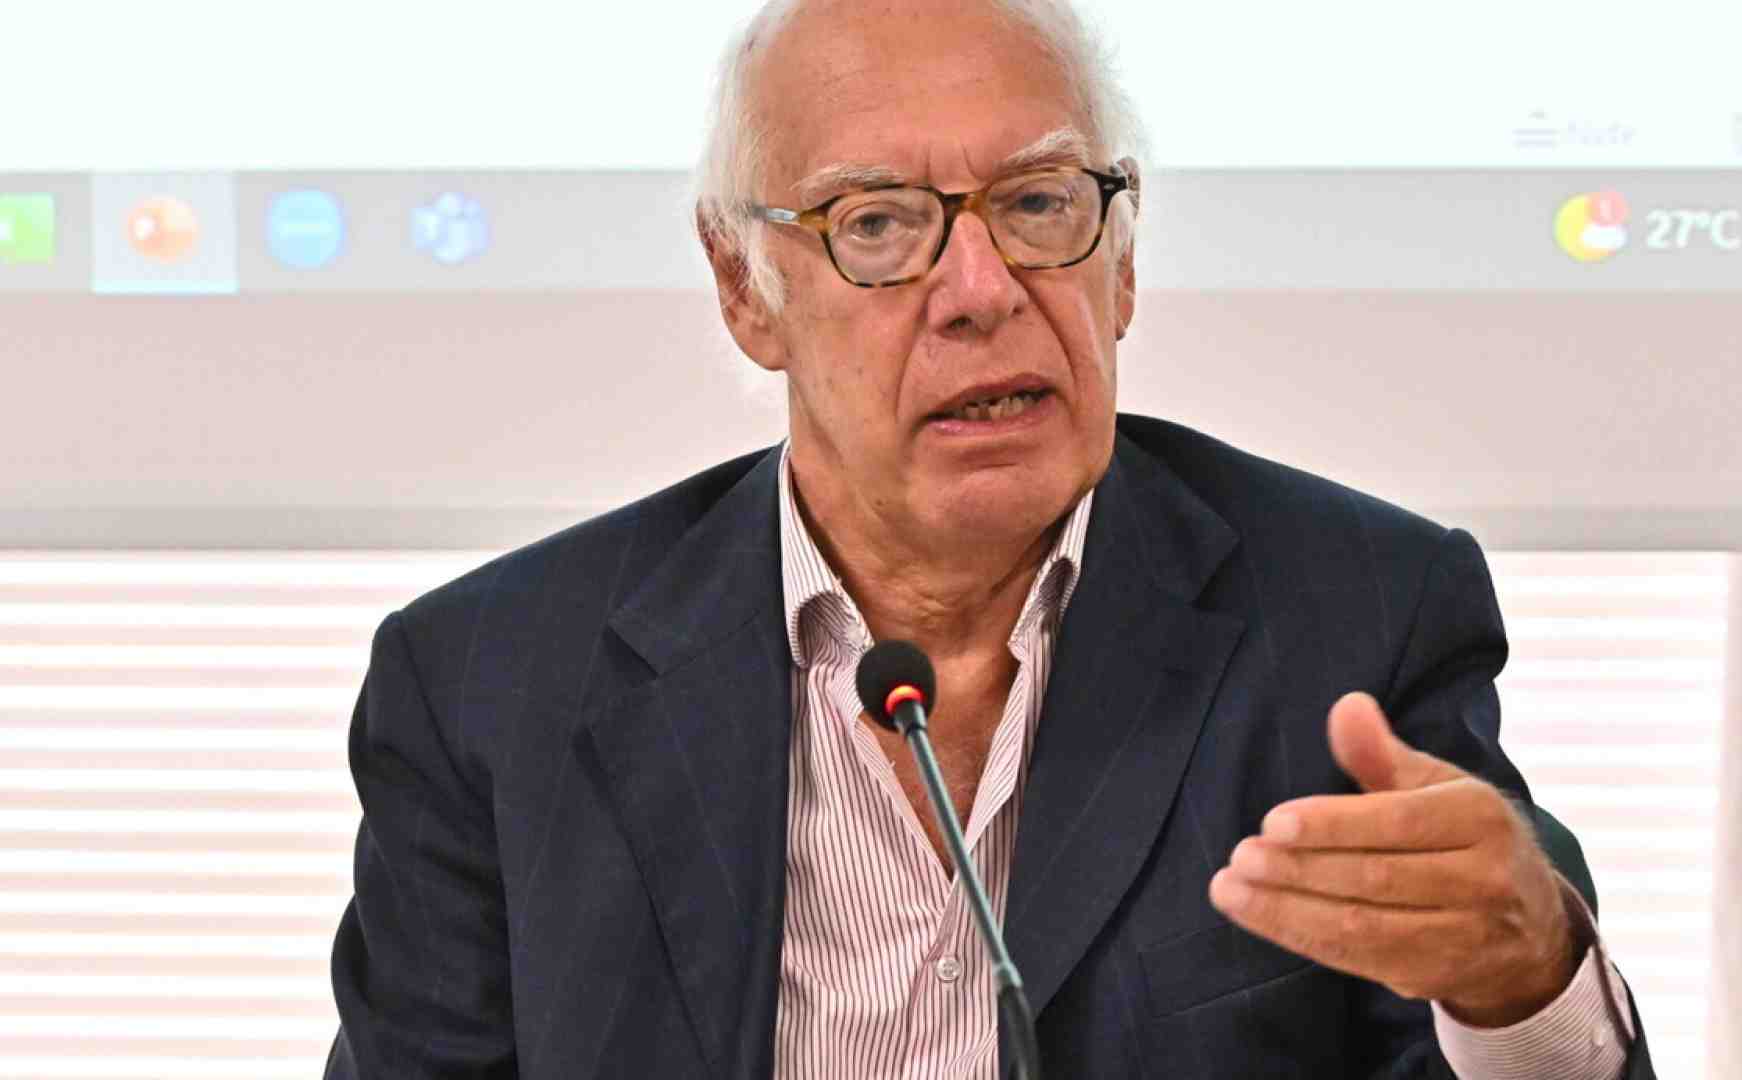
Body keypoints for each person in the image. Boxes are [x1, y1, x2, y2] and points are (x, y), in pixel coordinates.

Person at [325, 1, 1656, 1076]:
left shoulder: (1356, 620)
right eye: (878, 224)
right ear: (745, 287)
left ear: (1122, 261)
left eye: (1038, 205)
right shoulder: (490, 689)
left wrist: (1520, 988)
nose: (981, 291)